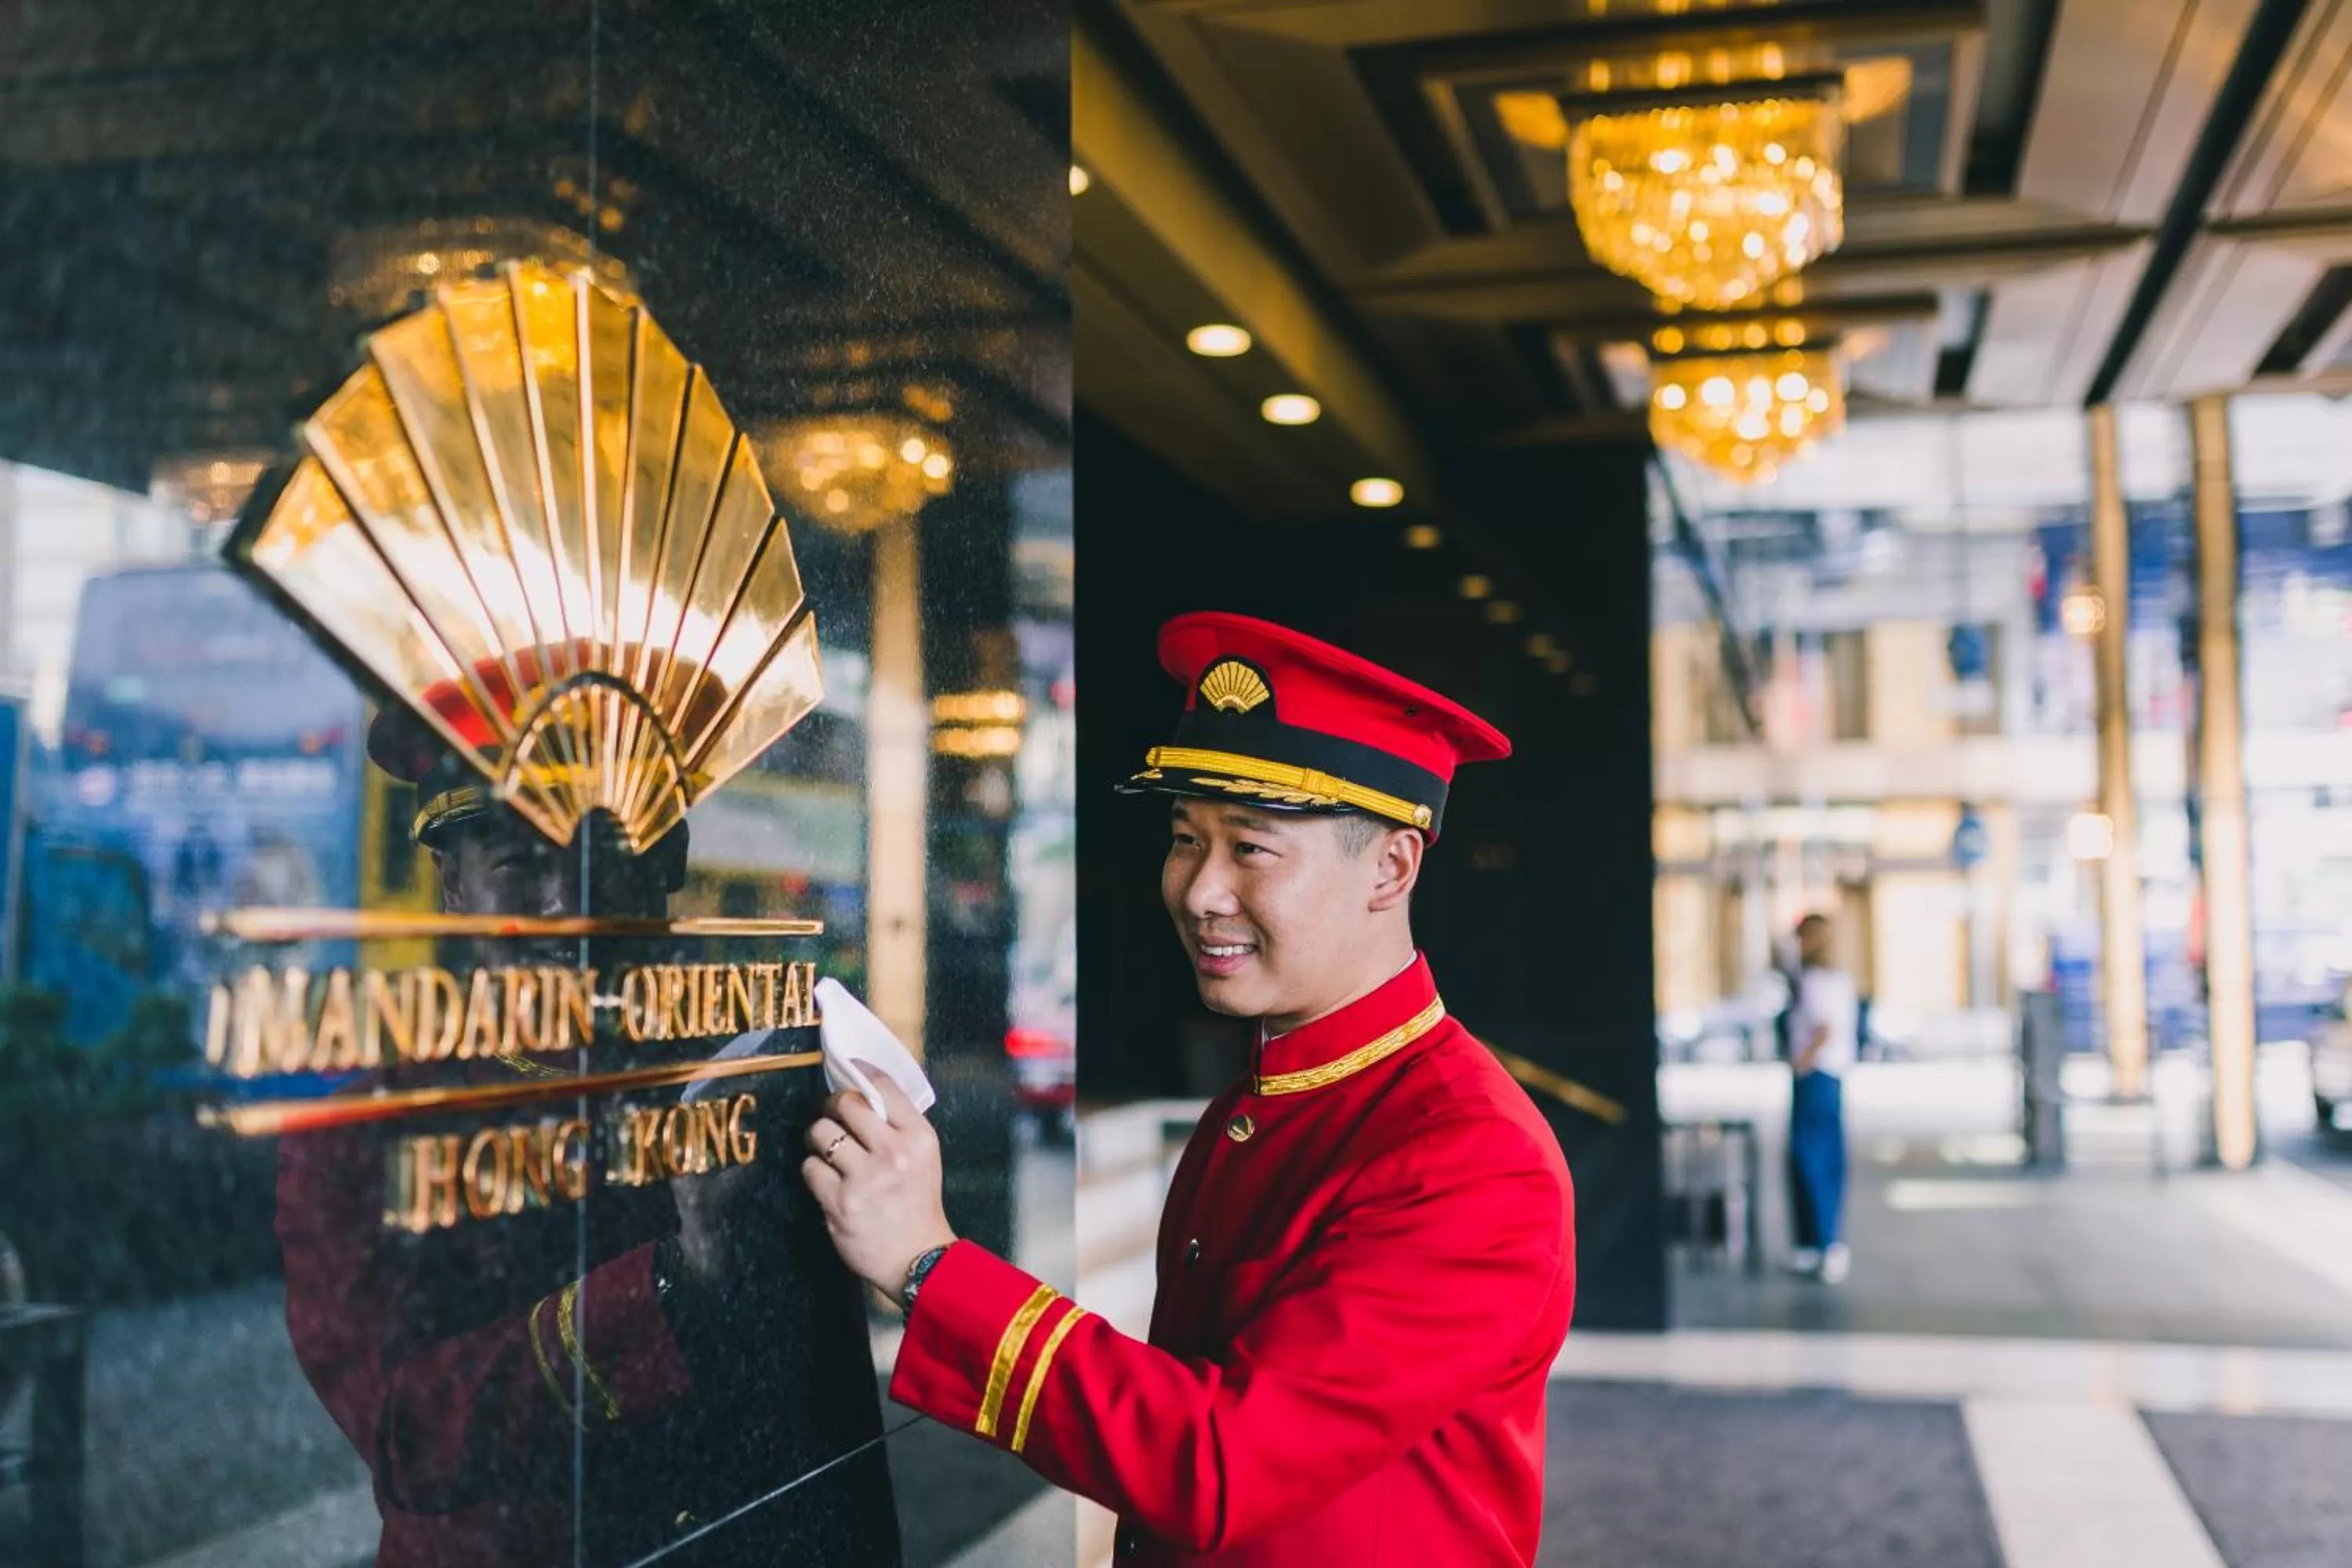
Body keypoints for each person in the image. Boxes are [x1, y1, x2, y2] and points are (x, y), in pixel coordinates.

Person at [802, 612, 1577, 1565]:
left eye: (1250, 847)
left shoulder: (1472, 1154)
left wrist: (930, 1266)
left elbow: (1221, 1459)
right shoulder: (1263, 1099)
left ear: (1392, 863)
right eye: (1184, 838)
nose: (1201, 888)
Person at [274, 706, 902, 1565]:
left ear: (668, 861)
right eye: (517, 864)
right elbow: (407, 1432)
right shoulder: (358, 1140)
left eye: (606, 858)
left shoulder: (760, 1085)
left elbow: (829, 1417)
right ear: (452, 886)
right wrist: (674, 1281)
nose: (570, 905)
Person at [1784, 913, 1859, 1284]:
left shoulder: (1816, 981)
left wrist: (1803, 1060)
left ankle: (1824, 1243)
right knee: (1821, 1158)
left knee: (1810, 1158)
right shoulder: (1838, 980)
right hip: (1829, 1077)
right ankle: (1816, 1243)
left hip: (1817, 1076)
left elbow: (1824, 1029)